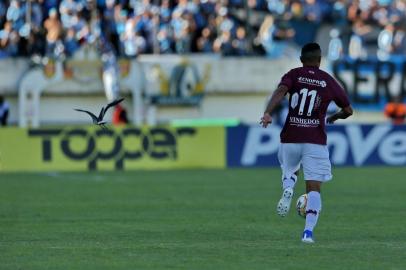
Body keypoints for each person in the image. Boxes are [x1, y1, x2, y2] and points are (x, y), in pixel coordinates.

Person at [260, 43, 353, 243]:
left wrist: (267, 113)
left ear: (301, 59)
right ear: (319, 61)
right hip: (315, 140)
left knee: (290, 169)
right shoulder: (328, 80)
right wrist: (335, 116)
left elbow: (280, 91)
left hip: (291, 136)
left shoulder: (294, 74)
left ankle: (288, 186)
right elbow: (348, 110)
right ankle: (307, 233)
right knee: (313, 188)